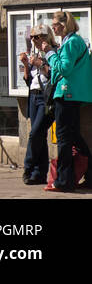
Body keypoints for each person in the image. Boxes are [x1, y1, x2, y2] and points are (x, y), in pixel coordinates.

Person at [48, 11, 92, 191]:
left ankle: (64, 180)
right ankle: (88, 174)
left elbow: (65, 69)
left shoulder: (71, 42)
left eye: (55, 24)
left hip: (68, 94)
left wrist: (50, 54)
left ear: (64, 25)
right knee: (73, 136)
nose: (53, 27)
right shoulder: (72, 42)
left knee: (65, 138)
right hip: (71, 94)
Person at [20, 25, 55, 184]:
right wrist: (27, 65)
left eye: (37, 36)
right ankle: (39, 173)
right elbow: (29, 80)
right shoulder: (35, 52)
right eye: (32, 37)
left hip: (45, 97)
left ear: (46, 36)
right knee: (39, 135)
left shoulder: (52, 51)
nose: (34, 40)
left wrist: (40, 63)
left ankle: (28, 167)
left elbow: (53, 74)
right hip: (33, 96)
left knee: (35, 133)